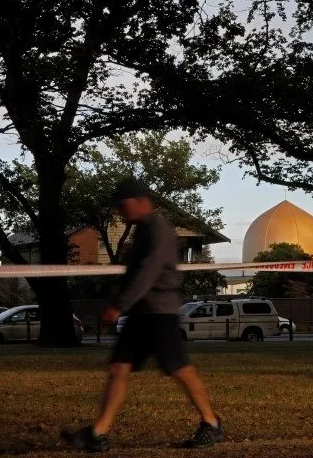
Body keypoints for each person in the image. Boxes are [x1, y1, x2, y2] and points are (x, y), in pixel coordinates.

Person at [61, 178, 225, 451]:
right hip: (141, 313)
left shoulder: (158, 229)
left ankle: (212, 424)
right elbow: (132, 272)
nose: (119, 212)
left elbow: (147, 272)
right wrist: (117, 300)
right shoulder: (142, 231)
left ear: (139, 201)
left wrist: (120, 304)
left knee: (180, 369)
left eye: (122, 206)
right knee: (119, 368)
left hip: (159, 313)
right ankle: (98, 433)